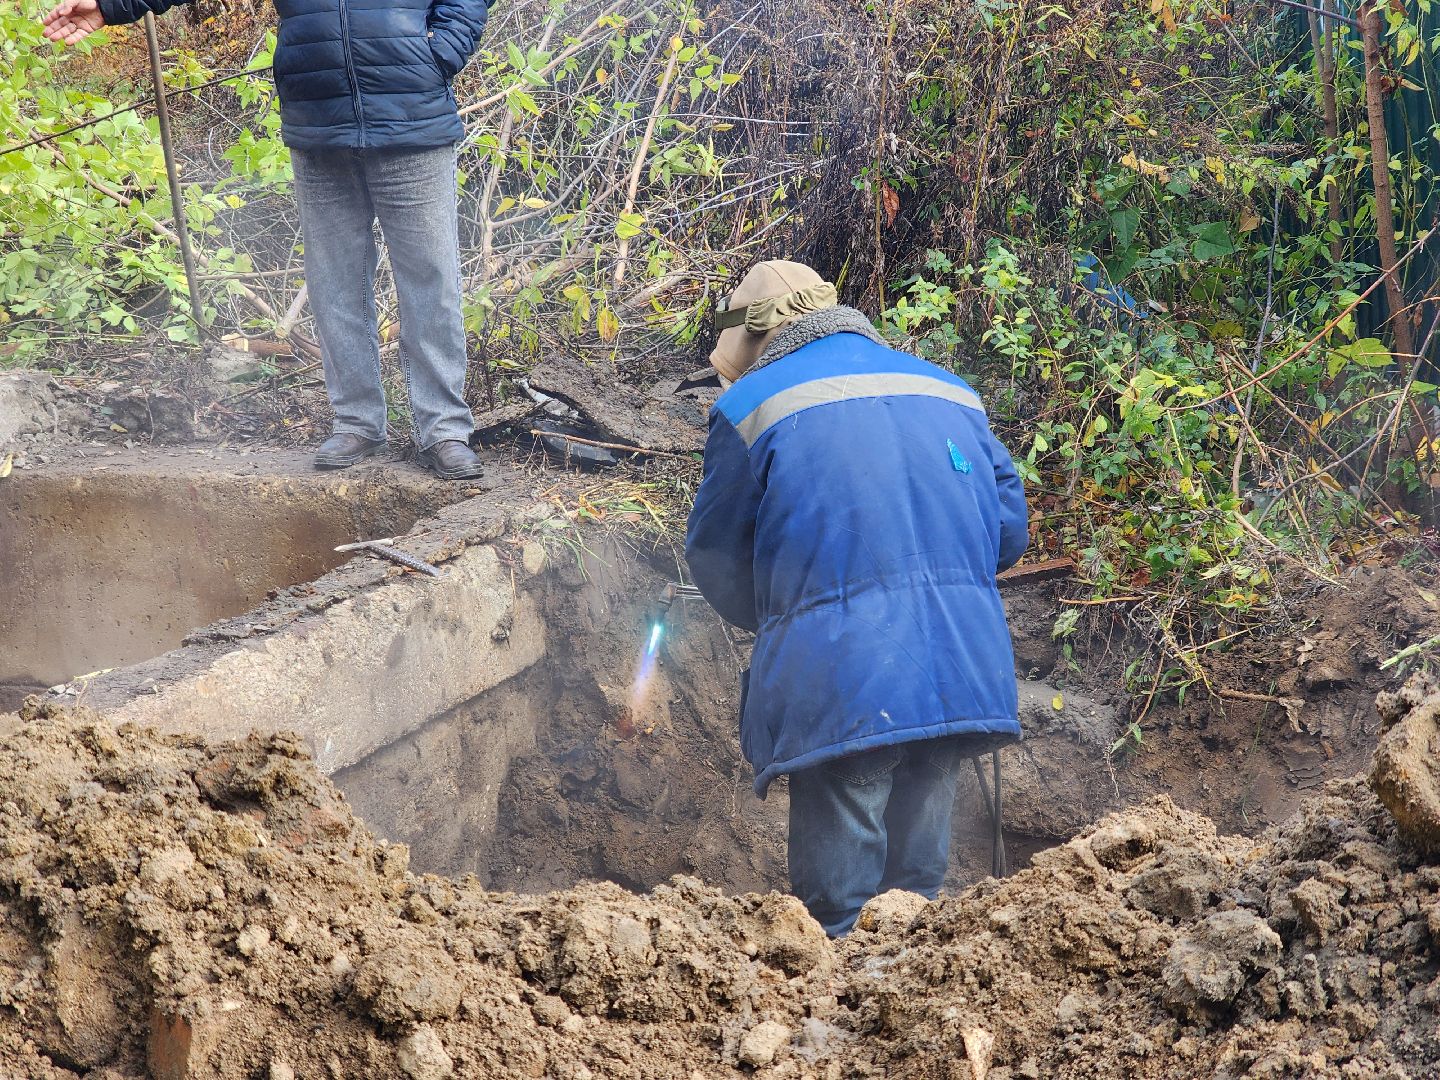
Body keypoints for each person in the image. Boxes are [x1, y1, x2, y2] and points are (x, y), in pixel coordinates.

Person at [685, 260, 1029, 936]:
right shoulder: (951, 390)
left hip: (841, 677)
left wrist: (790, 621)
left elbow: (717, 556)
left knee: (838, 915)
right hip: (959, 668)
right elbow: (1008, 532)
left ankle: (839, 1015)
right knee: (918, 896)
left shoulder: (750, 409)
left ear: (754, 341)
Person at [41, 0, 491, 480]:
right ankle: (358, 423)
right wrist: (110, 6)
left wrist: (440, 51)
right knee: (334, 283)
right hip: (318, 122)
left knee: (431, 280)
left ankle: (443, 429)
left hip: (413, 118)